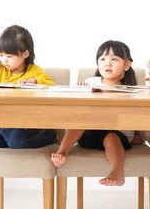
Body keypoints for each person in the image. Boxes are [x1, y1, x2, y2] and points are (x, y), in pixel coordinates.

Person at [51, 40, 138, 186]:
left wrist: (138, 133)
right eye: (103, 59)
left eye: (114, 59)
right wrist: (80, 91)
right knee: (79, 122)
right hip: (90, 133)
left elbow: (136, 114)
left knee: (111, 137)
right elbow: (76, 108)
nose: (108, 63)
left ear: (127, 65)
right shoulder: (91, 83)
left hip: (118, 135)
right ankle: (63, 152)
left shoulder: (130, 90)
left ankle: (117, 170)